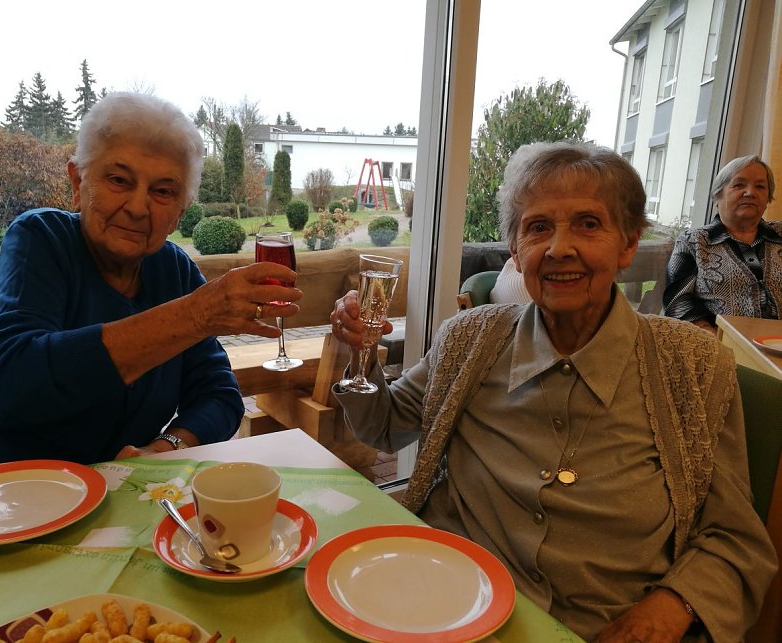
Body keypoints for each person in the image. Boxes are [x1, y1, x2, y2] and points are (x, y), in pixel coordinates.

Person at [330, 141, 776, 642]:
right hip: (447, 605)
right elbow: (384, 428)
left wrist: (668, 609)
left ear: (628, 244)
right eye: (538, 227)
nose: (560, 248)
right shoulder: (470, 338)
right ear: (516, 252)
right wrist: (362, 351)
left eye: (588, 224)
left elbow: (735, 539)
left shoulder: (694, 366)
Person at [0, 92, 301, 489]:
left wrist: (165, 447)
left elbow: (219, 394)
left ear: (180, 212)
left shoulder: (174, 270)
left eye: (163, 191)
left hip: (95, 505)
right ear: (77, 181)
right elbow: (20, 384)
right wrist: (193, 316)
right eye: (119, 180)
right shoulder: (39, 239)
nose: (138, 207)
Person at [663, 154, 781, 332]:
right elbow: (677, 299)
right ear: (717, 197)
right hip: (719, 347)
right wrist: (711, 338)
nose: (750, 192)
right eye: (739, 185)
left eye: (760, 186)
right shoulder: (694, 241)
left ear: (767, 199)